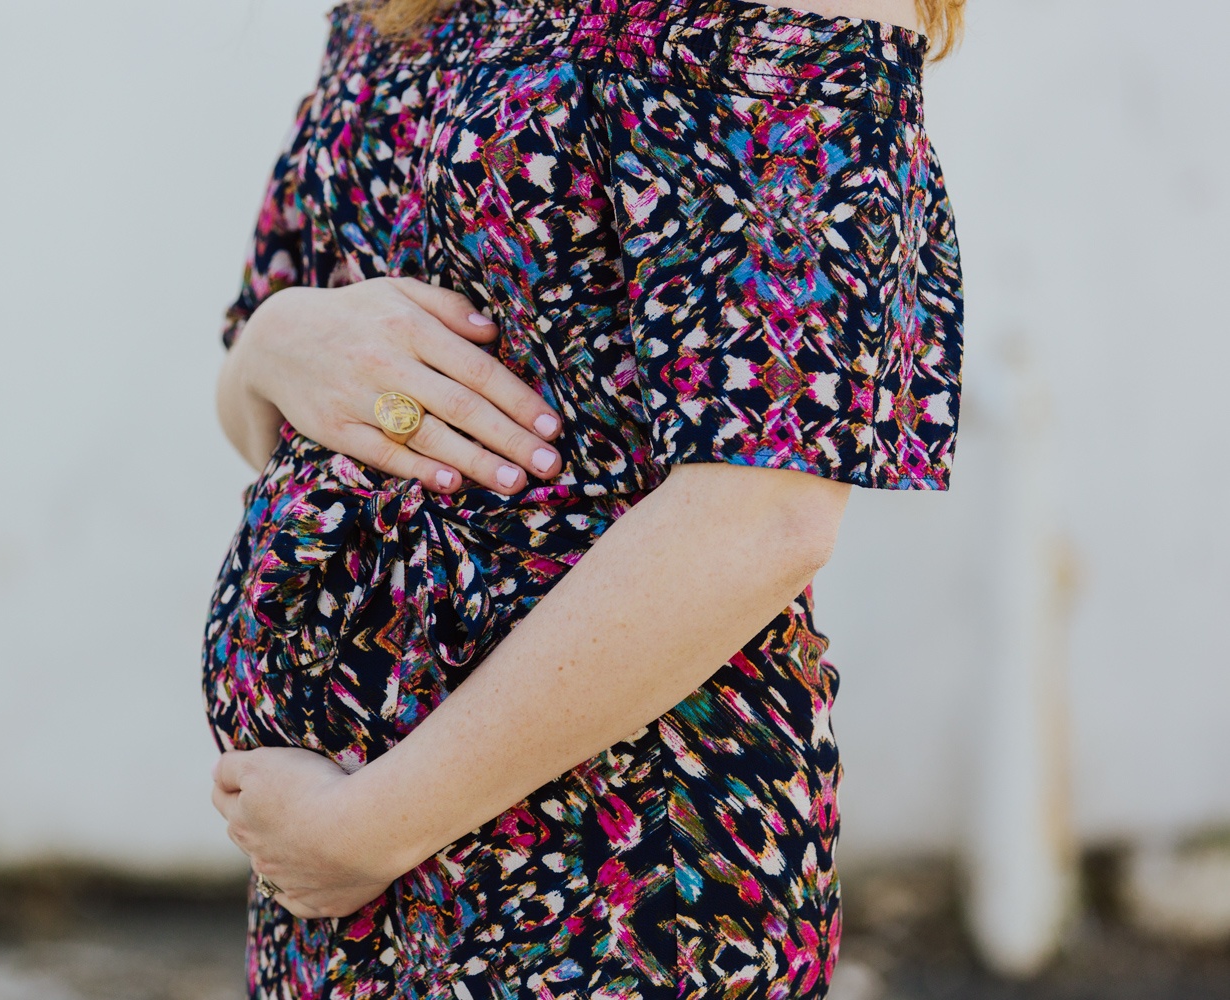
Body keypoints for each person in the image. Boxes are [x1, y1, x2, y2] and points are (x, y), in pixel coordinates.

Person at [204, 0, 964, 995]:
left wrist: (368, 827)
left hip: (615, 875)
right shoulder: (395, 10)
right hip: (346, 893)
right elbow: (270, 415)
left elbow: (764, 510)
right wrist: (275, 344)